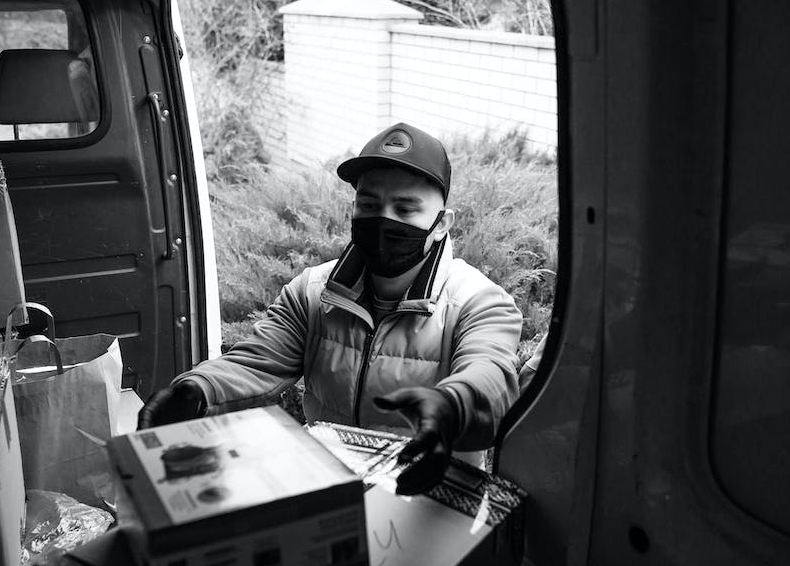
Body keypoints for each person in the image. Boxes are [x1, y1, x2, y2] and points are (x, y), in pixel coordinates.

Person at [138, 122, 523, 494]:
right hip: (332, 496)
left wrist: (452, 405)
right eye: (369, 204)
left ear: (441, 224)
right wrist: (196, 390)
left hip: (432, 505)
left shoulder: (479, 303)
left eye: (406, 210)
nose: (383, 219)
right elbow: (256, 361)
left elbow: (489, 377)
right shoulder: (313, 292)